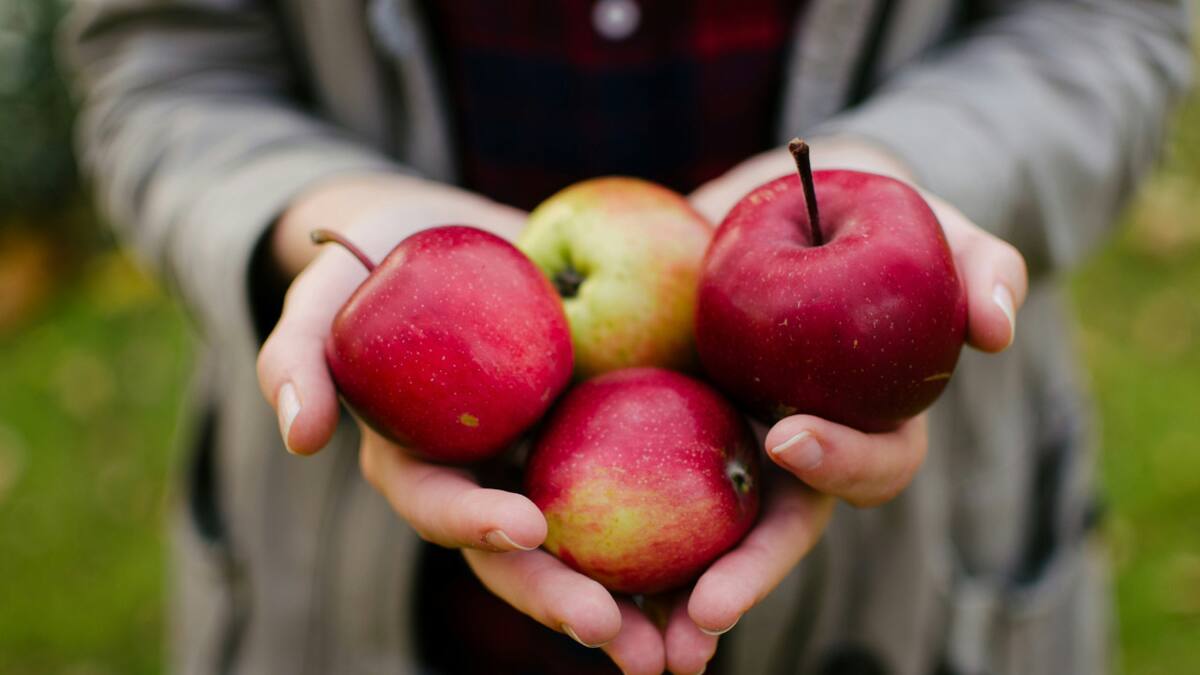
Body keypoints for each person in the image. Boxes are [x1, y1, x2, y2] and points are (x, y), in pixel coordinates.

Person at [63, 1, 1190, 674]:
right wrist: (321, 212)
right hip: (344, 587)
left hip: (912, 582)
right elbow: (161, 60)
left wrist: (906, 170)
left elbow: (1107, 23)